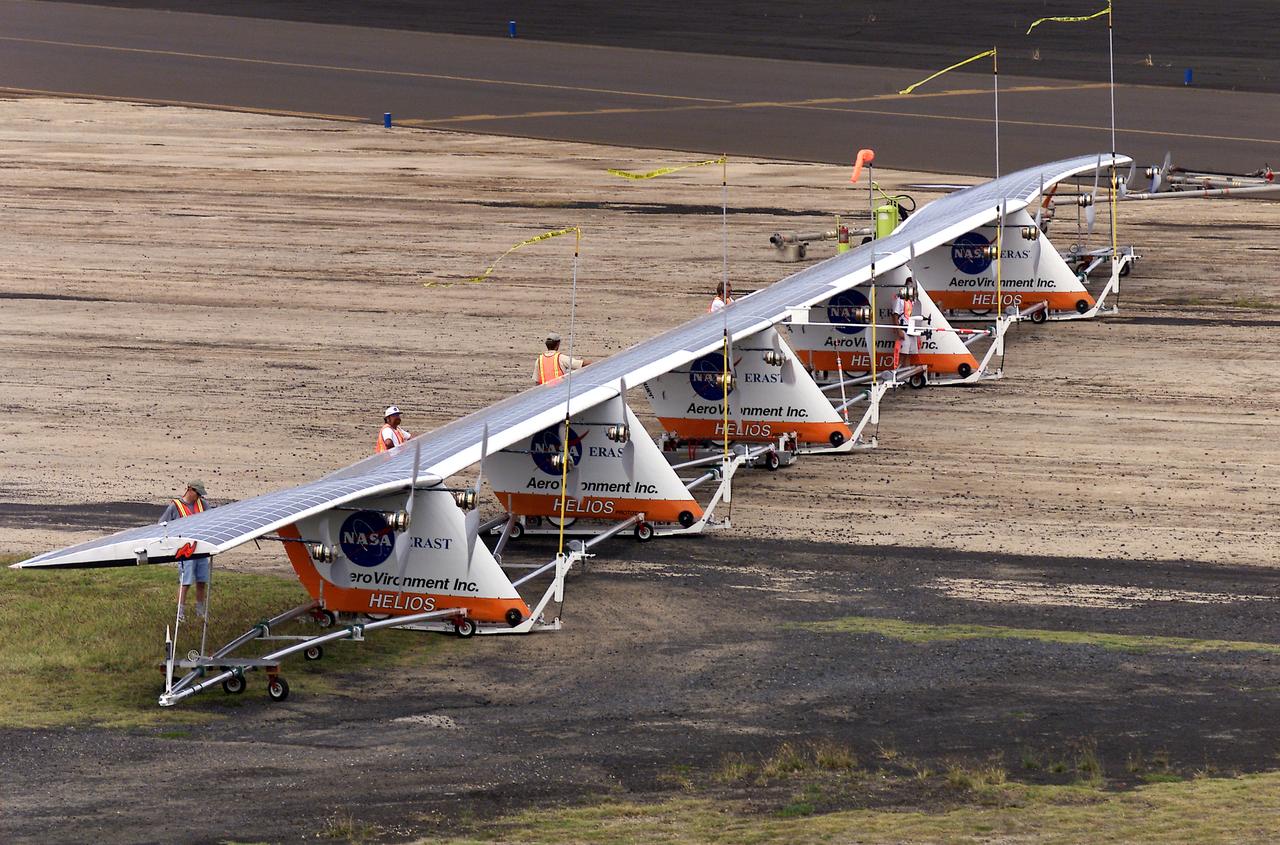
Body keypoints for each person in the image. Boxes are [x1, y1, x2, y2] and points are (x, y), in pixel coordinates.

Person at [161, 480, 214, 623]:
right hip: (185, 552)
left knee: (202, 581)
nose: (199, 497)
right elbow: (162, 526)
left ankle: (200, 612)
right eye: (197, 493)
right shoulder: (175, 507)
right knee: (185, 582)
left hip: (201, 549)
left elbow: (213, 519)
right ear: (190, 490)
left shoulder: (203, 505)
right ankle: (180, 614)